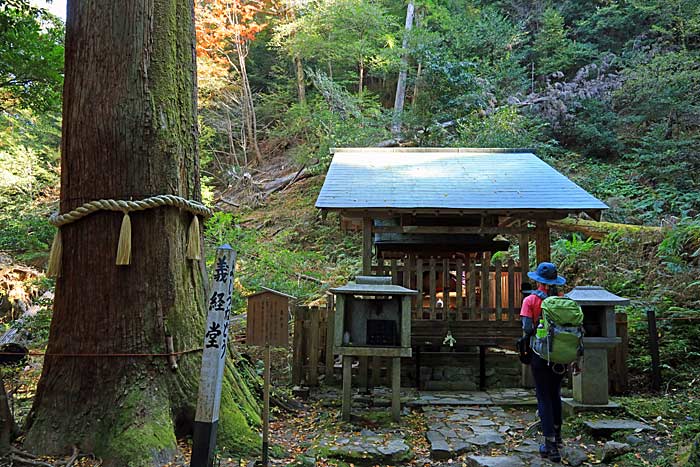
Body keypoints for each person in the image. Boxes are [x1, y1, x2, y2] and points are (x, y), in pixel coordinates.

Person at [520, 262, 567, 463]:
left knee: (543, 396)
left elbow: (527, 328)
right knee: (555, 394)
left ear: (538, 280)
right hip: (560, 355)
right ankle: (557, 436)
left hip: (539, 354)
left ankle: (549, 444)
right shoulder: (562, 301)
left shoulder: (530, 300)